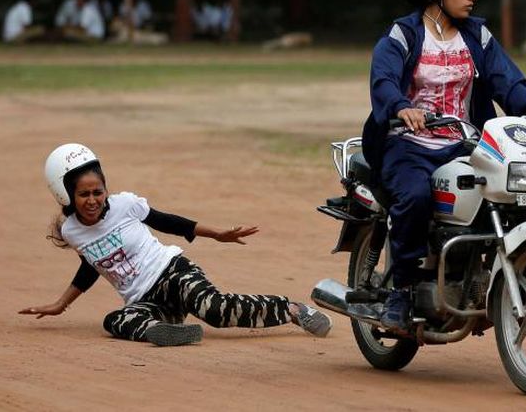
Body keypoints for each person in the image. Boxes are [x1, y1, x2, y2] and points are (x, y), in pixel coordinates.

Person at [360, 0, 526, 334]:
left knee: (519, 188)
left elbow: (507, 82)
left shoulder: (477, 36)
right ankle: (401, 290)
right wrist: (402, 107)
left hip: (465, 142)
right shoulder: (402, 35)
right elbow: (383, 81)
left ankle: (521, 268)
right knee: (415, 196)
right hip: (409, 144)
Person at [19, 144, 332, 346]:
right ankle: (166, 331)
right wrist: (62, 304)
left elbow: (170, 222)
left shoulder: (125, 204)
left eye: (97, 192)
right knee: (114, 320)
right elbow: (92, 264)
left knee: (214, 311)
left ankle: (291, 309)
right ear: (65, 195)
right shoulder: (73, 231)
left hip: (172, 273)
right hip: (145, 299)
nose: (93, 200)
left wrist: (219, 234)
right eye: (84, 194)